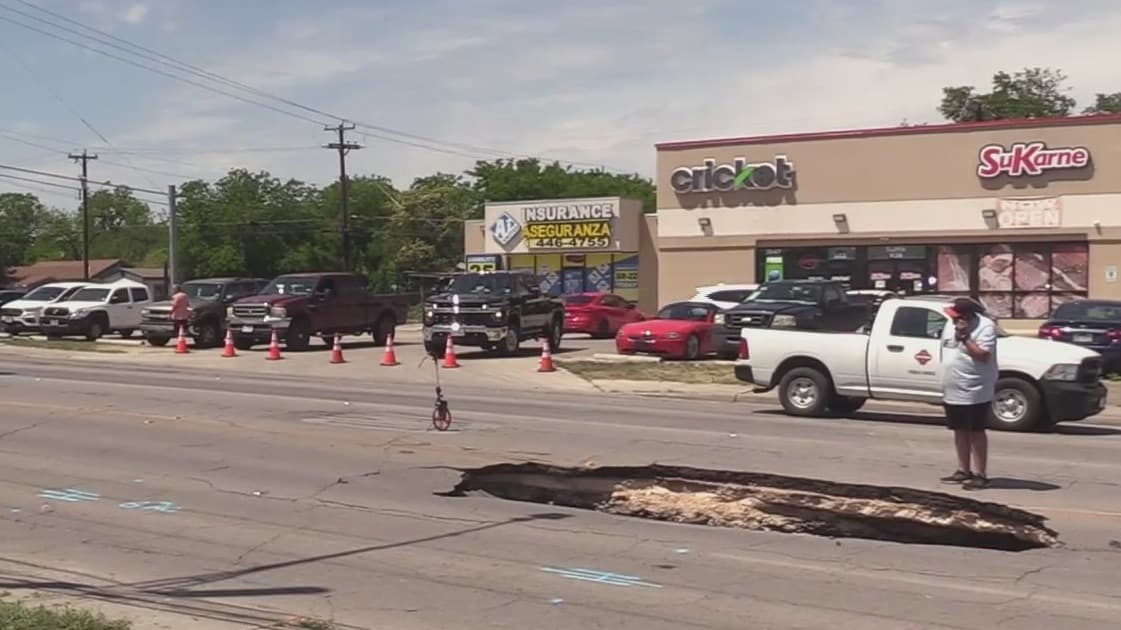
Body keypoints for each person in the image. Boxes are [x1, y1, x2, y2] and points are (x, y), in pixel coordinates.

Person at [939, 297, 998, 490]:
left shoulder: (985, 326)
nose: (954, 319)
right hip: (953, 386)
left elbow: (983, 356)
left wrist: (965, 336)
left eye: (958, 316)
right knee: (959, 430)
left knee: (975, 431)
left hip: (975, 388)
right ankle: (963, 470)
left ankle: (981, 474)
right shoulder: (951, 324)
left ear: (968, 316)